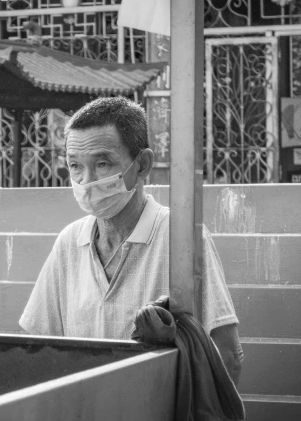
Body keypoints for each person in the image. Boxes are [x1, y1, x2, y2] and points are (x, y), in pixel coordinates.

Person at [19, 96, 243, 384]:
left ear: (142, 164)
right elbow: (38, 350)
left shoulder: (181, 239)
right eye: (75, 166)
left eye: (103, 164)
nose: (86, 181)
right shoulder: (69, 243)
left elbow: (228, 354)